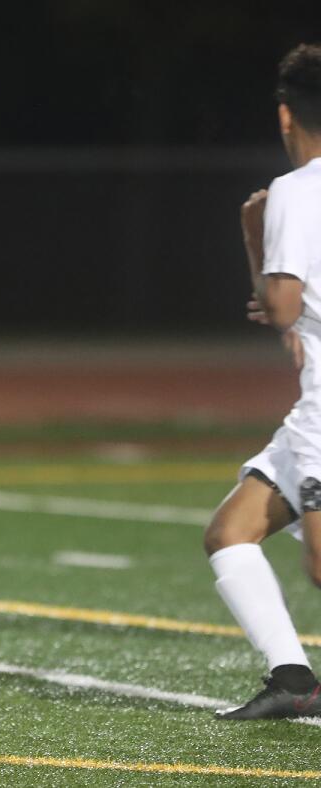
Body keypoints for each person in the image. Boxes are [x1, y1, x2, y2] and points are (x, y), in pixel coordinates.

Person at [206, 43, 321, 720]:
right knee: (231, 531)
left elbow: (277, 306)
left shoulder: (294, 191)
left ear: (286, 116)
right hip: (311, 408)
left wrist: (254, 233)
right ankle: (292, 678)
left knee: (318, 566)